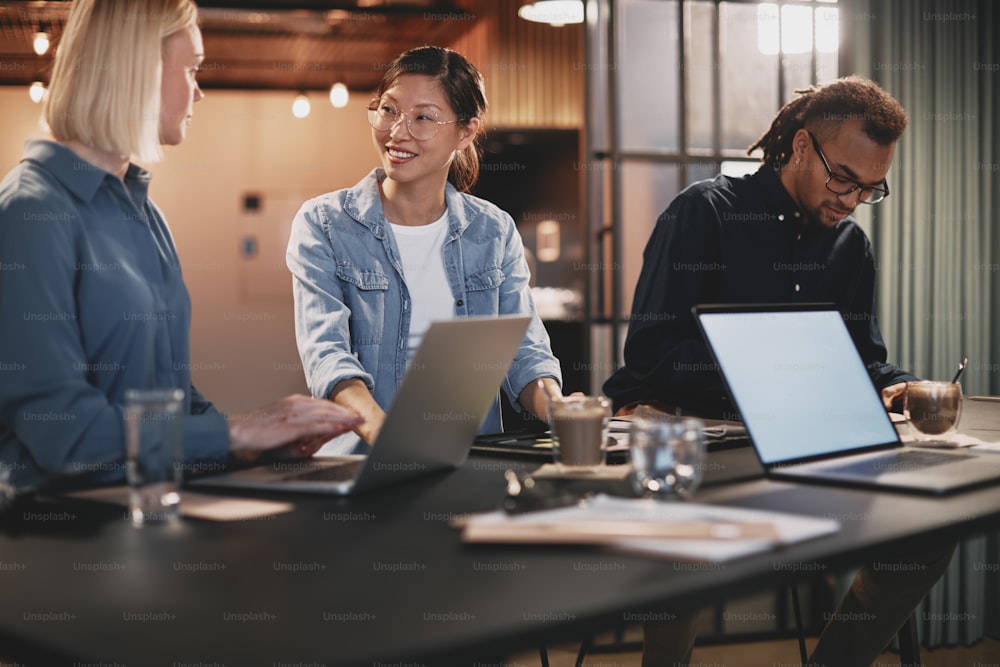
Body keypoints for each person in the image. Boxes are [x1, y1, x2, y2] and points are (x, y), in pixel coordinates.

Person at [604, 77, 954, 665]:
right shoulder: (704, 213)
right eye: (842, 178)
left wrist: (895, 384)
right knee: (687, 546)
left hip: (798, 444)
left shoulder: (849, 247)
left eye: (869, 188)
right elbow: (650, 353)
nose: (849, 200)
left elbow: (861, 356)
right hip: (691, 436)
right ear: (797, 147)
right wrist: (773, 379)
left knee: (928, 535)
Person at [0, 0, 361, 491]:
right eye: (191, 69)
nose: (199, 91)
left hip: (150, 512)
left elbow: (171, 397)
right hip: (60, 536)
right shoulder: (30, 213)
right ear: (139, 69)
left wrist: (259, 439)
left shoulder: (145, 214)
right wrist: (233, 432)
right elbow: (63, 436)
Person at [287, 46, 562, 452]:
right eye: (389, 110)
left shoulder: (493, 230)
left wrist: (561, 410)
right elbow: (327, 355)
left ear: (466, 132)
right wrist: (389, 436)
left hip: (470, 459)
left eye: (423, 118)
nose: (398, 132)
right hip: (361, 460)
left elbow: (524, 352)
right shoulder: (324, 223)